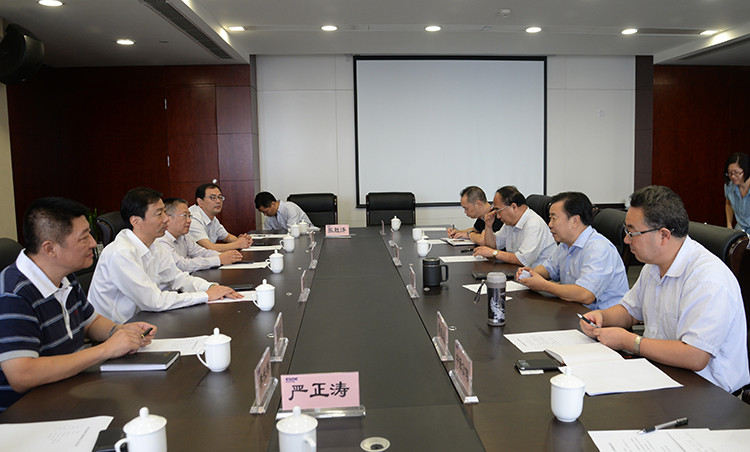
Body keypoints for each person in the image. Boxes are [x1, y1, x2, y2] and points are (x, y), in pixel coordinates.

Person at [580, 185, 749, 394]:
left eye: (632, 233)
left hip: (708, 391)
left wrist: (629, 341)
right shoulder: (653, 264)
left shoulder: (708, 279)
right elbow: (630, 310)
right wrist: (602, 316)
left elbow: (695, 356)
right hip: (660, 372)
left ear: (664, 235)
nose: (626, 239)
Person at [0, 197, 156, 412]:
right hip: (27, 411)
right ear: (50, 248)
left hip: (67, 387)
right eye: (84, 238)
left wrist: (121, 332)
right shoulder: (13, 294)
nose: (93, 243)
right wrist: (106, 349)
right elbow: (22, 375)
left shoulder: (64, 276)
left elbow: (91, 322)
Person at [89, 188, 241, 323]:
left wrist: (212, 287)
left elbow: (179, 278)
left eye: (165, 212)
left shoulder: (154, 246)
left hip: (146, 321)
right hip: (118, 331)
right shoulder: (121, 253)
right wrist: (206, 295)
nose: (166, 218)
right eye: (159, 214)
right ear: (136, 221)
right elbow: (154, 301)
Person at [516, 192, 629, 310]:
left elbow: (585, 294)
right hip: (574, 309)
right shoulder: (565, 244)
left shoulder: (598, 249)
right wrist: (530, 273)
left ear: (575, 221)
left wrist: (544, 285)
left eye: (554, 218)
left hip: (602, 317)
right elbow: (548, 269)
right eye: (550, 219)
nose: (550, 224)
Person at [473, 186, 555, 268]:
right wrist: (488, 226)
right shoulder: (510, 223)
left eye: (499, 211)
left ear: (514, 207)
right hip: (518, 270)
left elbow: (522, 260)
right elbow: (493, 245)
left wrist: (494, 253)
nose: (498, 216)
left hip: (538, 274)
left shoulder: (534, 225)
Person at [156, 198, 243, 273]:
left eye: (189, 216)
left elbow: (201, 252)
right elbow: (182, 265)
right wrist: (218, 259)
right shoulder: (161, 240)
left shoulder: (183, 236)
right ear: (168, 218)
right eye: (185, 216)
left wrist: (227, 256)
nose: (189, 220)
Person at [188, 183, 251, 252]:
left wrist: (243, 240)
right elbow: (210, 247)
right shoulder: (192, 218)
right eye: (213, 198)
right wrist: (238, 244)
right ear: (200, 202)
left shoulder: (211, 217)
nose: (218, 201)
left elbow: (227, 237)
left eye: (220, 197)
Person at [724, 152, 750, 235]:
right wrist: (729, 224)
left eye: (737, 173)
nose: (733, 176)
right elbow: (728, 204)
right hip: (739, 230)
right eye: (730, 173)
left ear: (746, 170)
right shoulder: (729, 186)